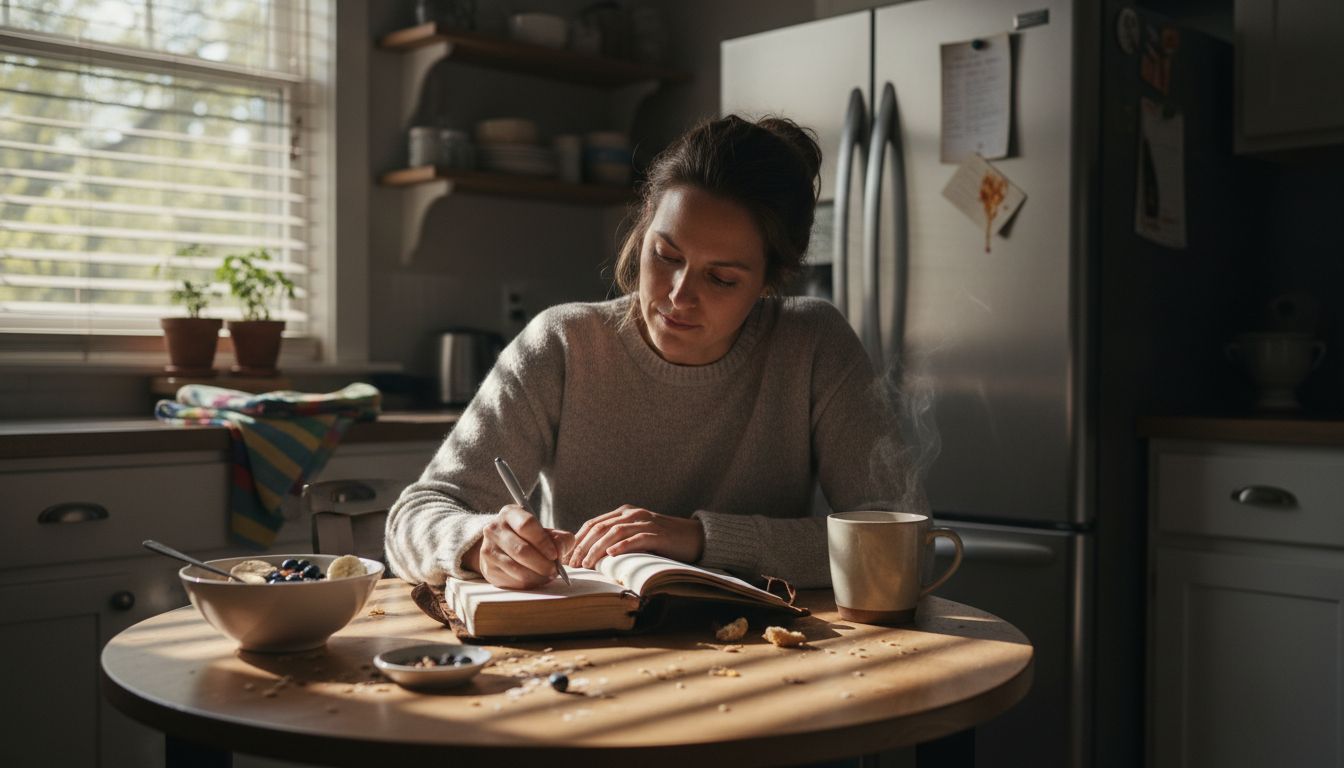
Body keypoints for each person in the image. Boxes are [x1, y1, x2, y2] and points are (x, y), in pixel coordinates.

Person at [385, 115, 912, 591]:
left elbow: (900, 539)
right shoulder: (563, 344)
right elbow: (414, 515)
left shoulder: (812, 343)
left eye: (722, 278)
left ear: (770, 282)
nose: (679, 295)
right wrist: (481, 544)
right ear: (641, 230)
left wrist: (700, 539)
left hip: (766, 655)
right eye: (665, 254)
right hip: (586, 652)